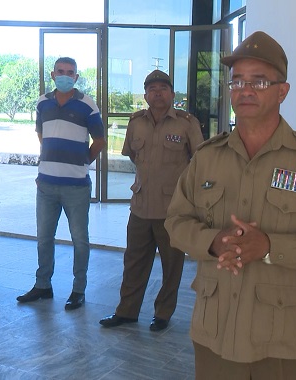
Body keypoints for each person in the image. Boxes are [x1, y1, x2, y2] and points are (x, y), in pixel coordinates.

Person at [164, 31, 296, 380]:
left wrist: (269, 246)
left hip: (281, 336)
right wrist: (213, 241)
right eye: (237, 81)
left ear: (283, 91)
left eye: (259, 81)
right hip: (214, 330)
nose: (245, 90)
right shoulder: (207, 157)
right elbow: (176, 221)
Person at [99, 70, 204, 331]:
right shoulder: (136, 122)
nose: (157, 92)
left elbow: (200, 161)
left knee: (172, 266)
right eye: (152, 89)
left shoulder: (187, 123)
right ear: (145, 95)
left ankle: (163, 314)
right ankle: (126, 311)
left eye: (163, 88)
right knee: (133, 262)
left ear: (172, 93)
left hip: (173, 209)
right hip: (141, 206)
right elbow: (133, 156)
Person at [16, 57, 106, 310]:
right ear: (53, 75)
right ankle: (43, 285)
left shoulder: (87, 104)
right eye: (60, 72)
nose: (65, 76)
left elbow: (99, 140)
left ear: (76, 77)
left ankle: (78, 289)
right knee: (44, 238)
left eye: (70, 72)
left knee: (80, 240)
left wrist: (81, 161)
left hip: (76, 186)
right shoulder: (42, 103)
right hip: (46, 185)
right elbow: (41, 134)